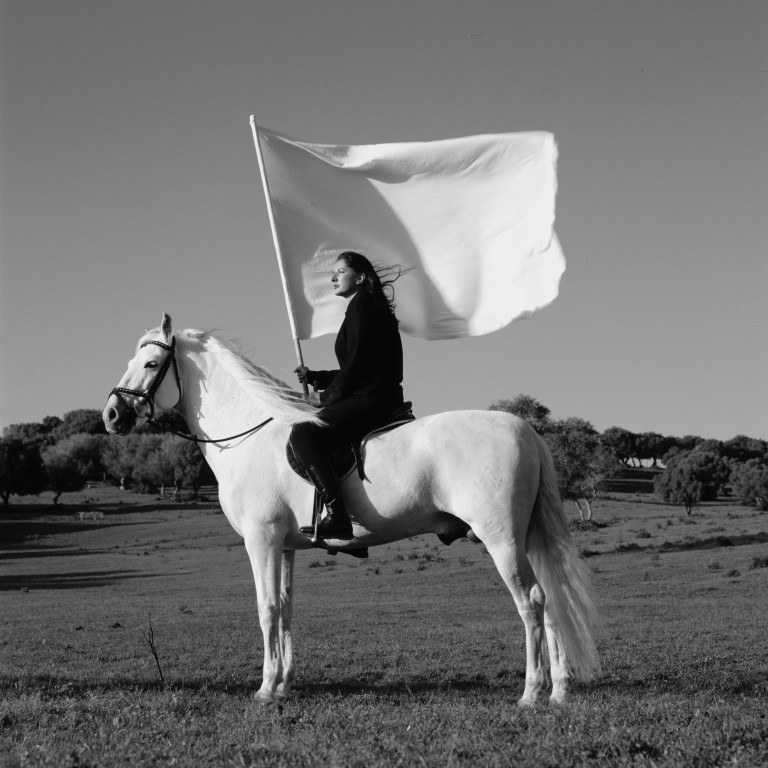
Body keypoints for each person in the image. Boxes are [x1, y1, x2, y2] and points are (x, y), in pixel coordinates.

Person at [290, 251, 405, 540]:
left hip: (372, 398)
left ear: (361, 277)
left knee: (304, 434)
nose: (333, 278)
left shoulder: (362, 307)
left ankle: (337, 514)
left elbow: (355, 368)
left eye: (340, 271)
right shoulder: (366, 306)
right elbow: (360, 365)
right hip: (375, 392)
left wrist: (325, 398)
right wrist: (317, 377)